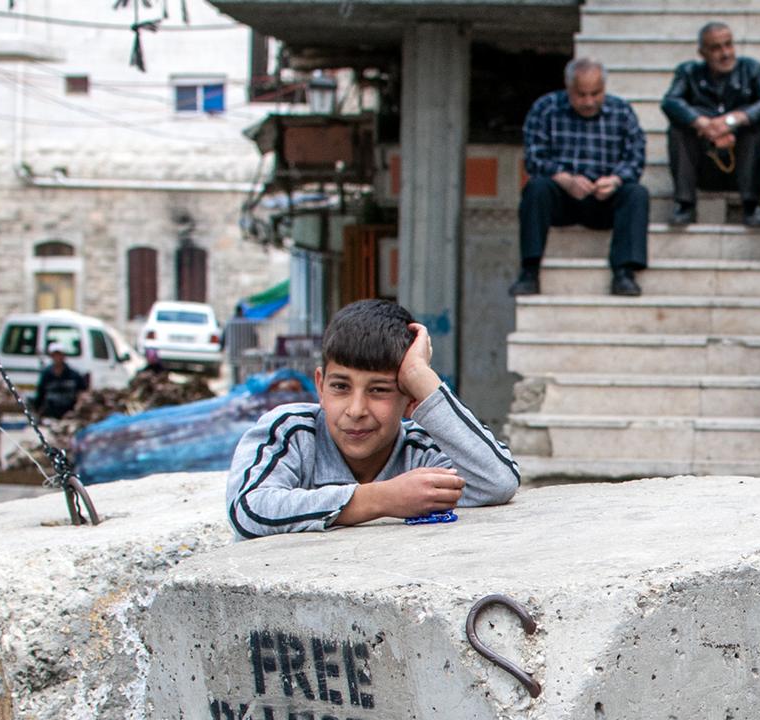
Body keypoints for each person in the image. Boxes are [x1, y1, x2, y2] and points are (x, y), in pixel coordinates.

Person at [225, 299, 519, 539]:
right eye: (340, 387)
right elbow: (249, 509)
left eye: (379, 390)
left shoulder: (422, 451)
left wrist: (420, 376)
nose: (356, 410)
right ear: (320, 386)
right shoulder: (292, 432)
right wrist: (380, 499)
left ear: (408, 397)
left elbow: (498, 482)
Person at [514, 58, 649, 297]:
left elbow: (635, 157)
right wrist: (563, 178)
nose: (588, 101)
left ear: (604, 88)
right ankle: (529, 271)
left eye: (595, 94)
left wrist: (615, 180)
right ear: (568, 88)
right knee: (536, 188)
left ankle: (624, 272)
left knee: (636, 193)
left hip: (605, 198)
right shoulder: (545, 108)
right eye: (581, 94)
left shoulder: (621, 111)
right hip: (562, 196)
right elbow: (534, 157)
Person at [662, 23, 760, 227]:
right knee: (678, 130)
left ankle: (751, 203)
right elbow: (670, 102)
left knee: (755, 130)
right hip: (705, 161)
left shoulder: (751, 69)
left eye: (728, 45)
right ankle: (685, 203)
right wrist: (703, 124)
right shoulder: (688, 72)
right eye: (716, 48)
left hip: (742, 161)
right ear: (702, 52)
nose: (725, 53)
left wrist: (731, 122)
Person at [33, 347, 88, 419]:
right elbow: (40, 394)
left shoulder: (74, 375)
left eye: (60, 355)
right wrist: (37, 412)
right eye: (55, 355)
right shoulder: (46, 374)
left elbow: (82, 392)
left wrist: (77, 410)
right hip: (50, 413)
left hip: (69, 412)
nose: (57, 358)